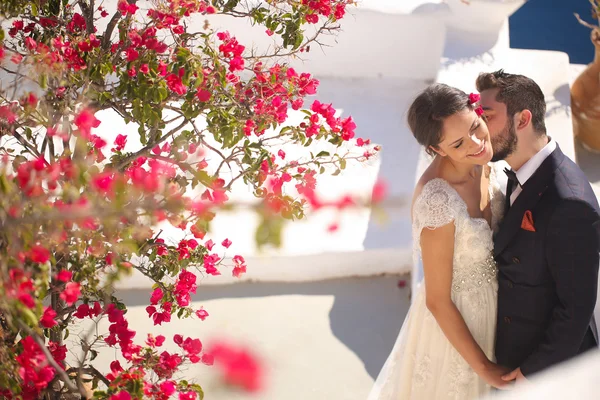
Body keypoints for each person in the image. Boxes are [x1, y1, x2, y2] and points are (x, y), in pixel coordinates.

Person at [368, 83, 510, 400]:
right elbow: (438, 301)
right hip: (459, 324)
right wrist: (485, 369)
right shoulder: (438, 201)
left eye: (476, 126)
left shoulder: (486, 162)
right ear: (439, 150)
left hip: (502, 311)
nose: (476, 143)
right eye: (459, 143)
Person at [476, 69, 600, 384]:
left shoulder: (569, 202)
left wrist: (533, 374)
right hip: (509, 355)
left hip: (541, 375)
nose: (479, 129)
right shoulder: (516, 172)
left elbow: (576, 308)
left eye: (487, 117)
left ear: (522, 119)